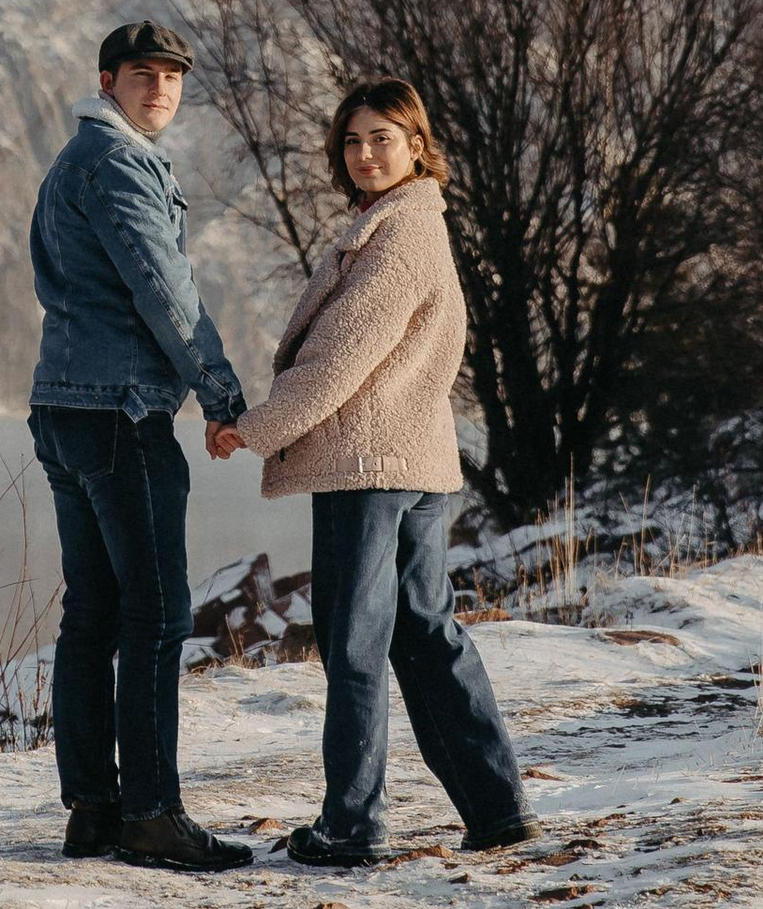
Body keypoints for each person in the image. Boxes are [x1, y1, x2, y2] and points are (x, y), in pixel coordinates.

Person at [207, 75, 532, 866]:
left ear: (417, 147)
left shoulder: (400, 235)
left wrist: (253, 430)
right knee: (425, 634)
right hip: (415, 460)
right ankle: (495, 810)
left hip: (370, 465)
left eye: (381, 139)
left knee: (358, 645)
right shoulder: (415, 227)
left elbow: (338, 358)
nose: (363, 154)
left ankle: (353, 826)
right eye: (352, 141)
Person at [27, 19, 255, 874]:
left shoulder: (67, 164)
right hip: (119, 412)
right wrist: (222, 396)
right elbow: (166, 291)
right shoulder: (118, 164)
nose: (160, 89)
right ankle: (152, 815)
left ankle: (93, 810)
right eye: (143, 75)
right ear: (107, 80)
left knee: (90, 615)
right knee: (155, 616)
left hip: (62, 406)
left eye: (172, 77)